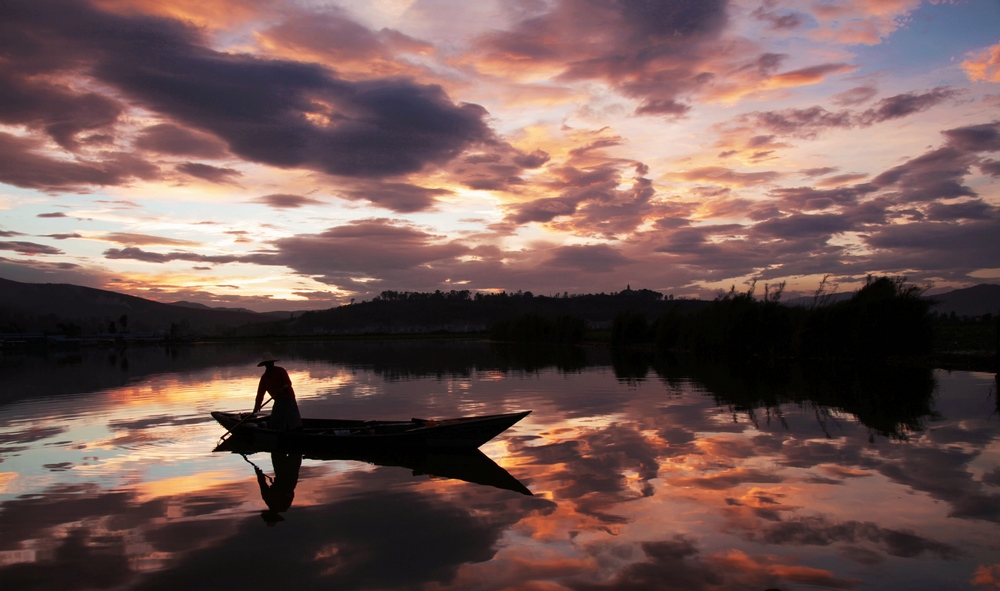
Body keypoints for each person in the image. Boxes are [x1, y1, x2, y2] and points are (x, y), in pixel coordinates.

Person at [254, 352, 302, 431]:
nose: (270, 365)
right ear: (265, 365)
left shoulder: (281, 371)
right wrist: (257, 406)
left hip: (288, 398)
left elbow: (288, 383)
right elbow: (260, 394)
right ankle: (281, 431)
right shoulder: (264, 378)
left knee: (292, 419)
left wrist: (283, 388)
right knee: (276, 421)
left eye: (271, 363)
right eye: (268, 363)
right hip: (278, 400)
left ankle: (296, 431)